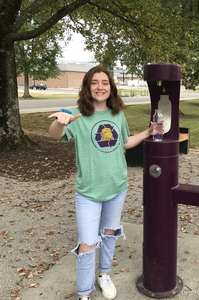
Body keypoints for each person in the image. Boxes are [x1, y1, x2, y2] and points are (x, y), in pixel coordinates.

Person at [48, 66, 156, 300]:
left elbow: (125, 143)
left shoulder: (117, 114)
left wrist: (148, 131)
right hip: (88, 192)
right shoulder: (76, 115)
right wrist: (60, 122)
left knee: (109, 233)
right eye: (94, 82)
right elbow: (55, 134)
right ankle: (84, 293)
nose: (100, 87)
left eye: (104, 82)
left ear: (111, 87)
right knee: (87, 244)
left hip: (117, 187)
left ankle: (104, 274)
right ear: (87, 87)